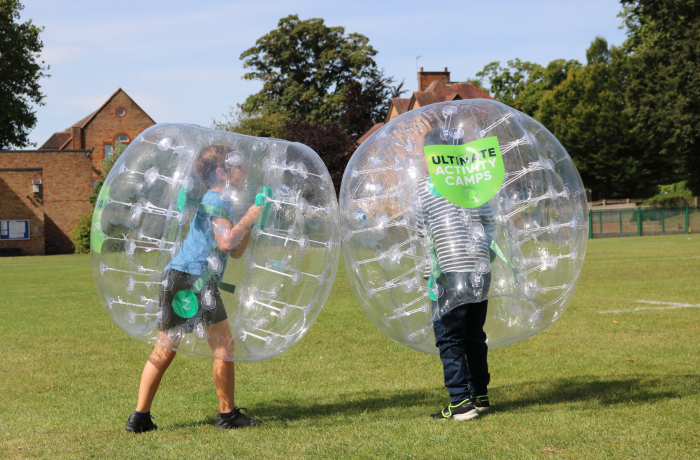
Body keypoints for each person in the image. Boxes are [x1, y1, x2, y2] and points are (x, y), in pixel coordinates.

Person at [125, 144, 262, 432]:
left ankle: (139, 417)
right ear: (223, 172)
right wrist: (249, 217)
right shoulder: (219, 201)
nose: (244, 170)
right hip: (198, 280)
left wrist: (250, 223)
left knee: (165, 347)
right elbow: (227, 243)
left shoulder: (213, 201)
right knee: (223, 345)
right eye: (238, 165)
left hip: (175, 276)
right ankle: (227, 416)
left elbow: (234, 251)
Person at [416, 134, 496, 422]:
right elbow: (489, 223)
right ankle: (480, 395)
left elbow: (419, 228)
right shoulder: (475, 185)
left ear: (435, 155)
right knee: (474, 335)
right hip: (479, 271)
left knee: (449, 337)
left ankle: (460, 403)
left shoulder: (425, 188)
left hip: (448, 273)